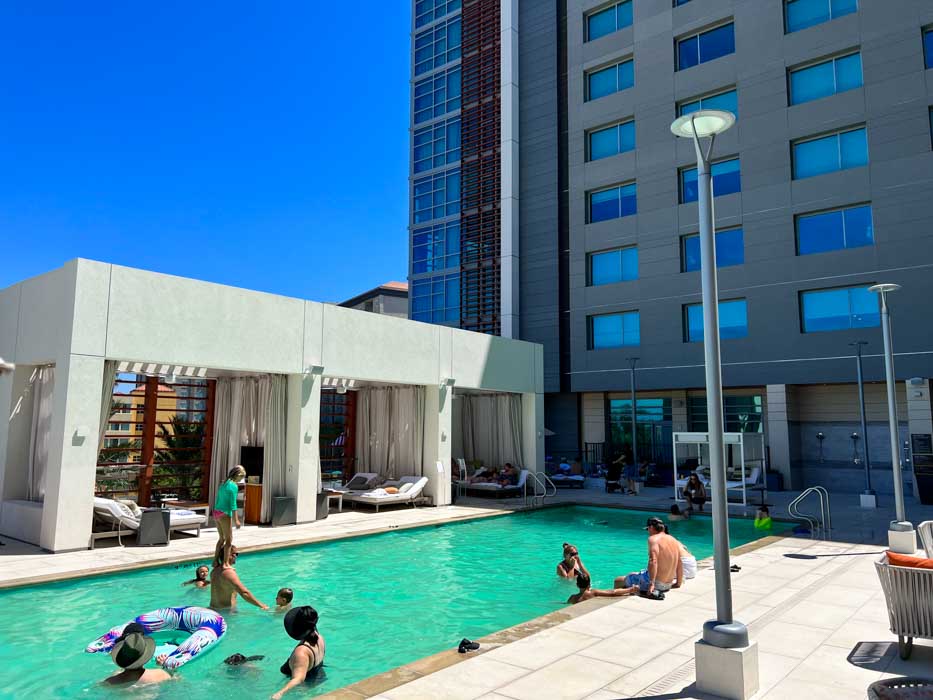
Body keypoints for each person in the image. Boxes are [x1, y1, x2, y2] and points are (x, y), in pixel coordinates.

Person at [614, 517, 683, 596]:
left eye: (648, 529)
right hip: (668, 584)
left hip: (656, 584)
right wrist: (678, 583)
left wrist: (652, 584)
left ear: (651, 527)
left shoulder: (653, 539)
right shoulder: (673, 539)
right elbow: (679, 562)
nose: (648, 532)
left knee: (618, 580)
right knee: (632, 574)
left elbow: (653, 561)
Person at [272, 606, 326, 699]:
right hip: (318, 679)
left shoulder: (301, 652)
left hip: (304, 689)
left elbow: (298, 679)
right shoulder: (319, 638)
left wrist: (280, 693)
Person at [103, 624, 172, 686]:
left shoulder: (109, 683)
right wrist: (165, 666)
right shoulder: (161, 675)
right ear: (145, 654)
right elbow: (177, 679)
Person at [210, 546, 269, 611]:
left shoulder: (215, 570)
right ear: (229, 555)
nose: (236, 556)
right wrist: (261, 605)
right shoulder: (228, 572)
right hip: (226, 612)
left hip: (213, 609)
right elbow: (244, 593)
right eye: (236, 554)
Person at [214, 465, 245, 569]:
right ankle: (225, 564)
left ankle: (215, 561)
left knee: (221, 539)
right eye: (241, 477)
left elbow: (218, 499)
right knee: (229, 540)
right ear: (238, 475)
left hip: (217, 512)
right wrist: (236, 520)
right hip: (224, 513)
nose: (241, 480)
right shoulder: (233, 486)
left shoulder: (223, 484)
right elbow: (233, 505)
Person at [567, 573, 638, 604]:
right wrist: (630, 589)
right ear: (589, 585)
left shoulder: (573, 598)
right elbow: (613, 592)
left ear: (577, 585)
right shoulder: (593, 592)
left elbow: (566, 604)